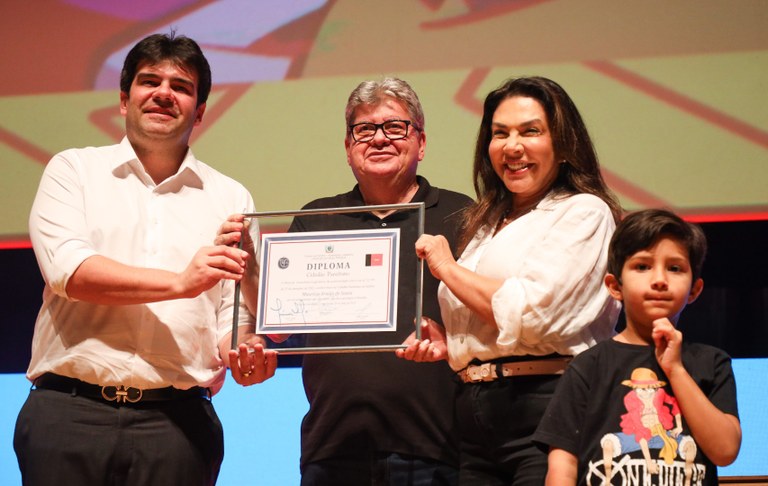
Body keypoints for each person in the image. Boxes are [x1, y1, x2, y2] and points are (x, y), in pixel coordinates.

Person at [14, 32, 277, 486]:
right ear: (124, 99)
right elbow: (69, 272)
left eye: (181, 86)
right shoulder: (73, 170)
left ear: (200, 112)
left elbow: (232, 310)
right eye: (149, 81)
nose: (163, 93)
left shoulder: (230, 196)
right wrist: (179, 282)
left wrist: (242, 347)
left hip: (179, 424)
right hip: (69, 414)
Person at [218, 77, 473, 485]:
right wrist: (247, 265)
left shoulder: (463, 214)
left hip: (438, 448)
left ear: (420, 142)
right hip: (333, 447)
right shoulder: (317, 219)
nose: (379, 138)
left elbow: (488, 321)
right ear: (348, 146)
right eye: (364, 129)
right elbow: (280, 329)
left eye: (394, 127)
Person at [398, 76, 623, 484]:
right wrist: (452, 343)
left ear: (563, 143)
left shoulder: (584, 212)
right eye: (500, 134)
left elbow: (533, 315)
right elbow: (499, 321)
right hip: (475, 416)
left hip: (548, 408)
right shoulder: (489, 223)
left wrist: (448, 268)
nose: (512, 146)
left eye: (531, 131)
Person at [533, 209, 741, 485]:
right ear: (614, 286)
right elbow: (563, 466)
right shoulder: (588, 365)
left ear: (694, 289)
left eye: (675, 268)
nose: (659, 279)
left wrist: (675, 368)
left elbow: (725, 451)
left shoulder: (711, 363)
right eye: (642, 266)